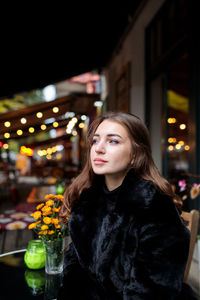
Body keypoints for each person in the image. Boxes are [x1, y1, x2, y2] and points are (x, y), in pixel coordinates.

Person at [59, 111, 190, 300]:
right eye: (95, 140)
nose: (99, 148)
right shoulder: (88, 199)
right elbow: (75, 267)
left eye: (113, 141)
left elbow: (151, 291)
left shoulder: (153, 205)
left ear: (135, 154)